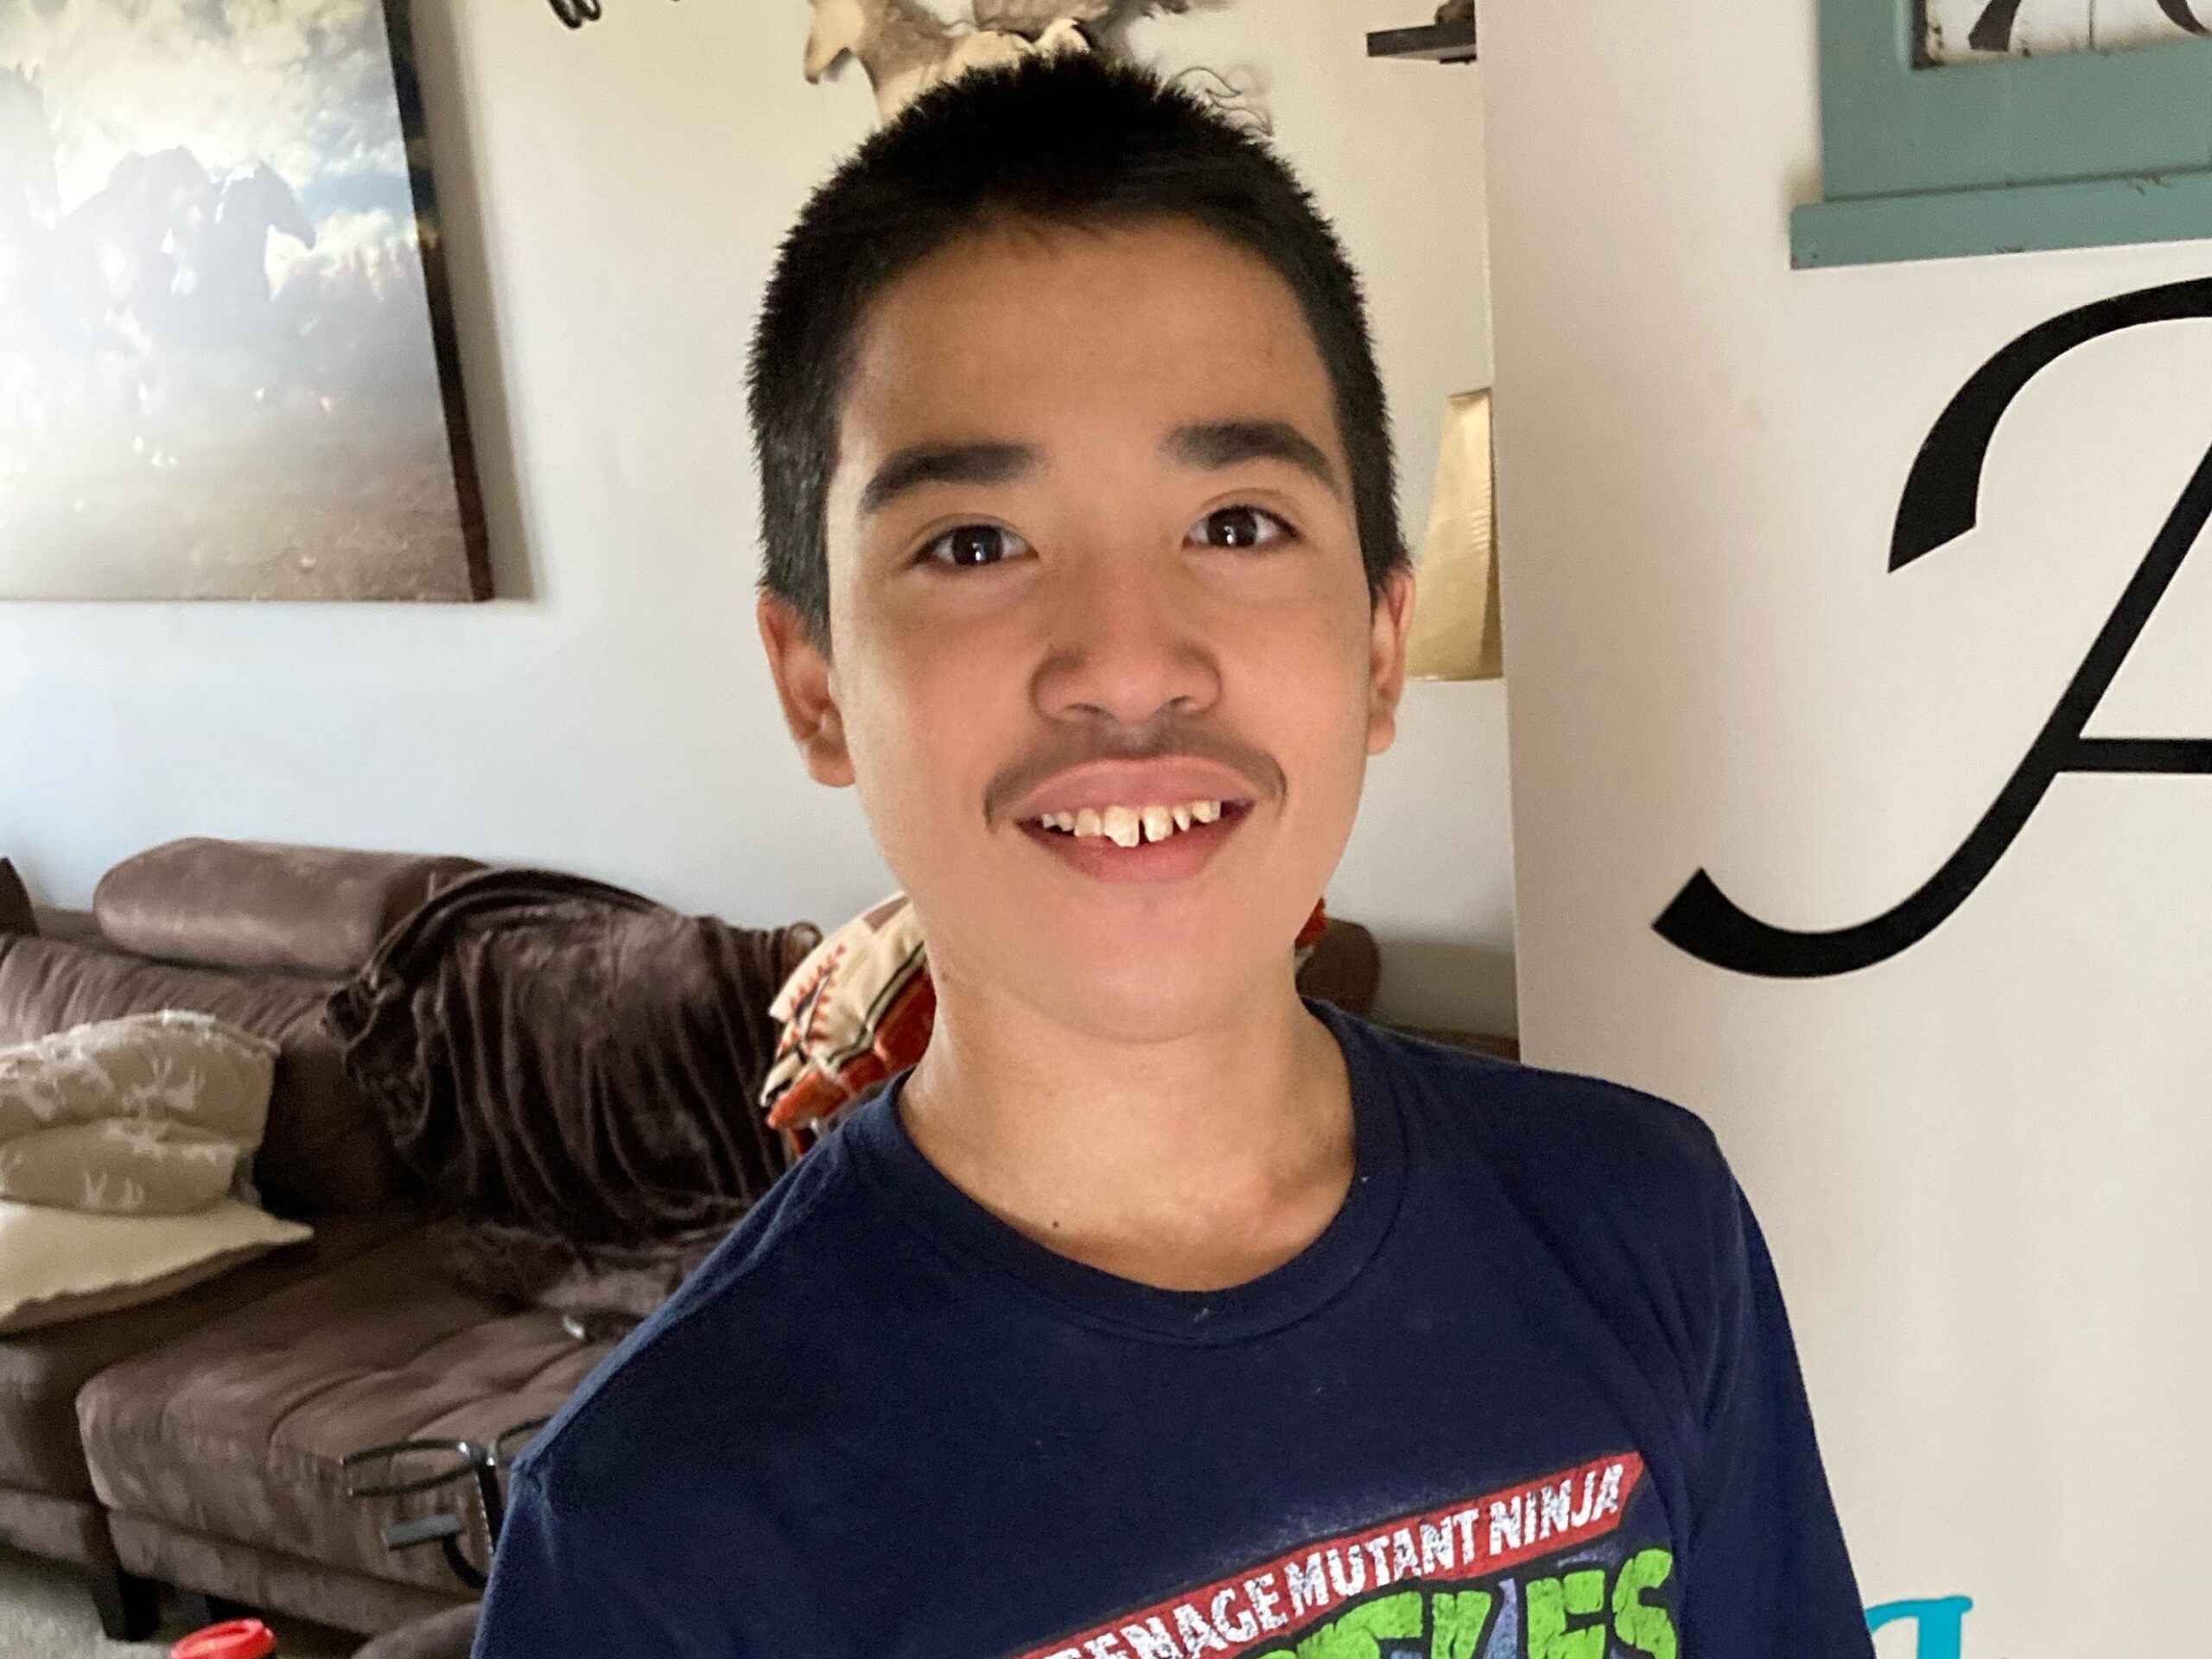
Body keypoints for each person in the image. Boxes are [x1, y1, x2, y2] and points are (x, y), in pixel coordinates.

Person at [474, 50, 1873, 1659]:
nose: (1128, 665)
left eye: (1235, 526)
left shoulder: (1641, 1222)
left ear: (1378, 643)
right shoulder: (662, 1524)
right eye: (975, 545)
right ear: (815, 687)